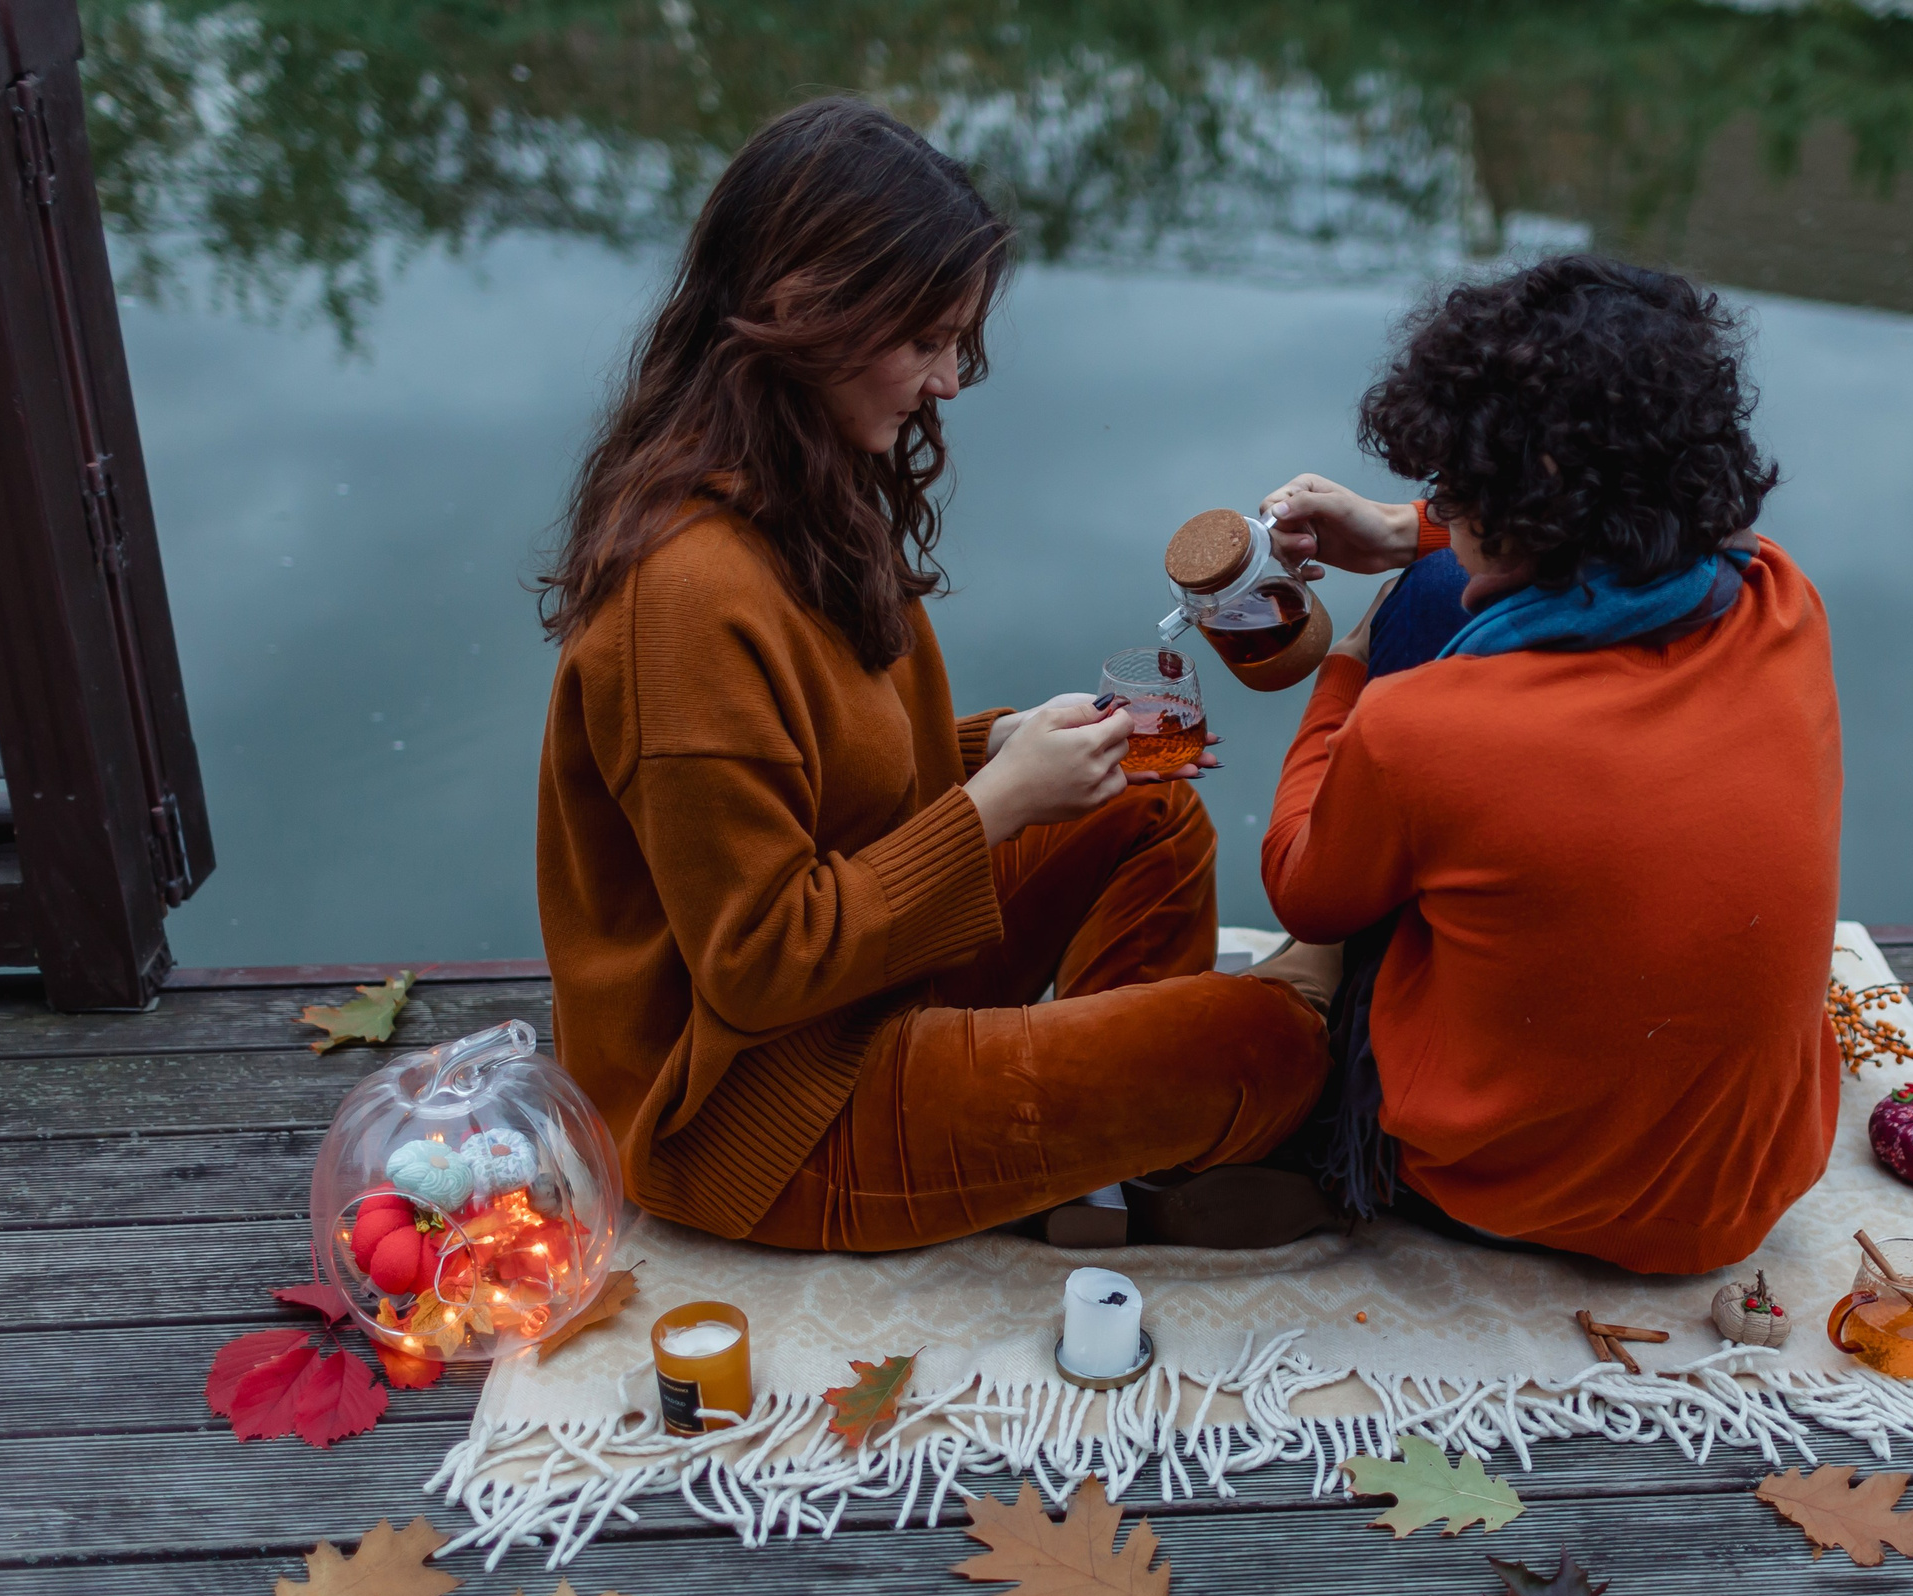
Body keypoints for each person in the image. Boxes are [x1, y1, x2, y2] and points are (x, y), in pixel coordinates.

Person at [534, 98, 1337, 1253]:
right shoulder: (686, 596)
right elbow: (761, 966)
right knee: (1266, 1044)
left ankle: (1098, 1172)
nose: (951, 382)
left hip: (853, 1000)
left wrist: (998, 752)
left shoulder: (799, 485)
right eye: (925, 341)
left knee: (1145, 800)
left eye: (958, 340)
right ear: (806, 314)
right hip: (755, 1113)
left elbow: (827, 779)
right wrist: (997, 805)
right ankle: (1092, 1152)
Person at [1257, 255, 1842, 1274]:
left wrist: (1346, 675)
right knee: (1444, 586)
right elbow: (1662, 518)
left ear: (1529, 494)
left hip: (1510, 1190)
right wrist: (1410, 532)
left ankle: (1309, 1065)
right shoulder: (1783, 599)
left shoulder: (1419, 731)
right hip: (1741, 1188)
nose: (1439, 501)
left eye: (1449, 482)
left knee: (1418, 625)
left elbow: (1301, 884)